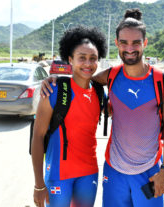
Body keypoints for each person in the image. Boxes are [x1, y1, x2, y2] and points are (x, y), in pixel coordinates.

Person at [41, 8, 164, 207]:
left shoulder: (161, 82)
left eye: (136, 42)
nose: (130, 48)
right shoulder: (110, 76)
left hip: (150, 172)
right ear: (117, 44)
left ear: (145, 43)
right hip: (115, 172)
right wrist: (57, 80)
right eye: (124, 42)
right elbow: (83, 80)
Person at [31, 25, 107, 207]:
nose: (88, 64)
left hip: (89, 173)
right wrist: (39, 185)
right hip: (59, 175)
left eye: (93, 59)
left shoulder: (98, 92)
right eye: (82, 58)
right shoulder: (54, 90)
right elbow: (38, 137)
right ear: (70, 59)